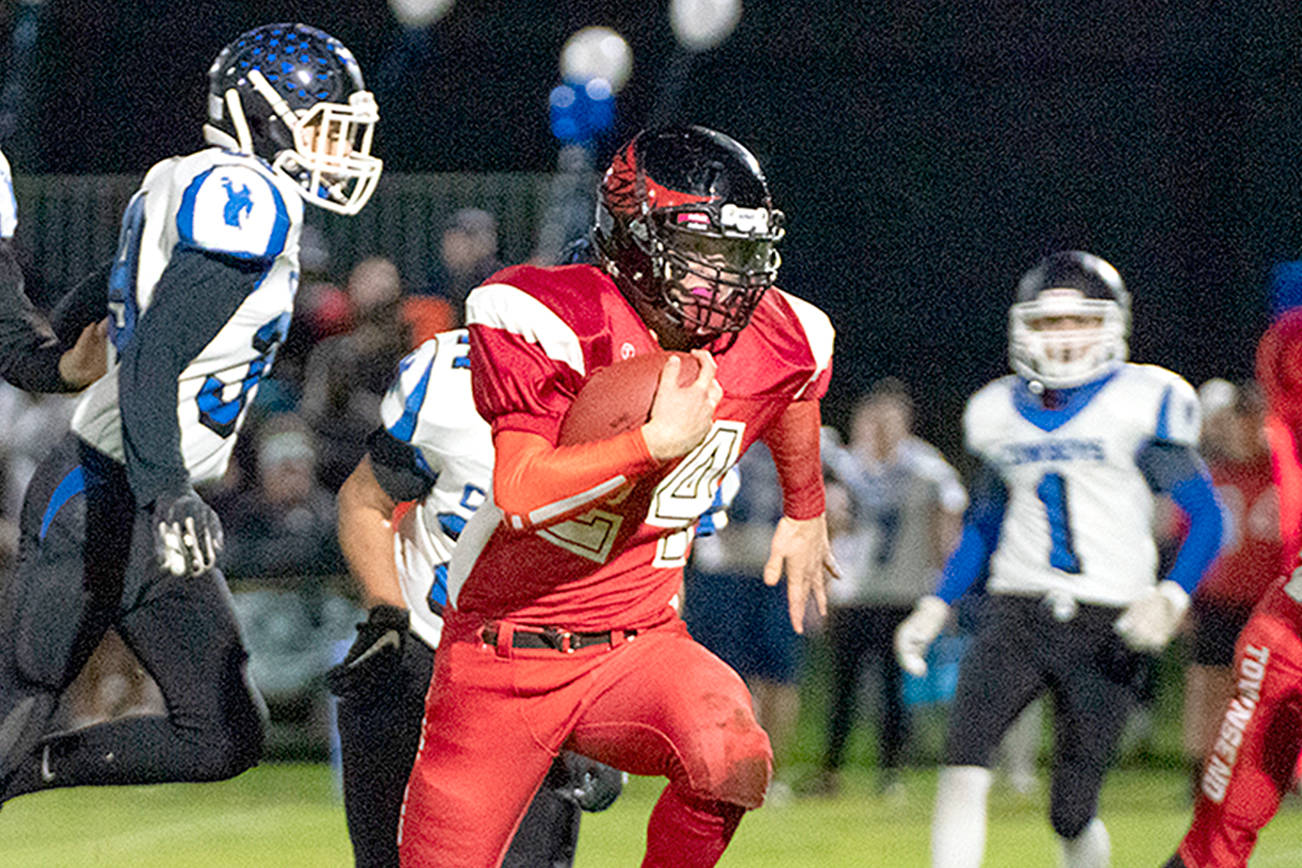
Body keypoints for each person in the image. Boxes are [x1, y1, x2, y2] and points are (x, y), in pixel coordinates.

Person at [397, 125, 837, 867]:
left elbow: (795, 382)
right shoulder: (551, 313)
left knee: (730, 751)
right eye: (702, 250)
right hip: (502, 657)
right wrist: (650, 444)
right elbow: (520, 490)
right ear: (636, 237)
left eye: (738, 255)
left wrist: (806, 506)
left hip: (637, 648)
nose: (724, 279)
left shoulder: (776, 332)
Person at [0, 22, 382, 803]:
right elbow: (152, 353)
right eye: (323, 128)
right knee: (20, 703)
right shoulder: (248, 195)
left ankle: (30, 773)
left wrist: (56, 362)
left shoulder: (192, 183)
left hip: (142, 491)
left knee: (222, 734)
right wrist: (168, 489)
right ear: (262, 118)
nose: (336, 150)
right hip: (107, 490)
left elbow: (85, 319)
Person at [893, 250, 1223, 868]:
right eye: (1049, 322)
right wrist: (937, 603)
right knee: (964, 764)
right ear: (1023, 328)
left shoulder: (1140, 399)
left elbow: (1207, 516)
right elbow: (984, 524)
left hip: (1111, 616)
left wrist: (1172, 593)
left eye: (1079, 321)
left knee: (1072, 811)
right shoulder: (996, 411)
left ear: (1111, 325)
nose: (1064, 335)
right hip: (1016, 610)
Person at [331, 328, 625, 868]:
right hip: (425, 653)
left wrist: (605, 713)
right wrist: (385, 613)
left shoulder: (640, 407)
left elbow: (653, 576)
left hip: (542, 677)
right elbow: (363, 501)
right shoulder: (454, 384)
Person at [1163, 302, 1302, 867]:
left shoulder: (1277, 464)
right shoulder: (1221, 471)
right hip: (1252, 613)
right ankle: (1197, 777)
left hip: (1273, 607)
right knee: (1213, 697)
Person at [805, 377, 966, 797]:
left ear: (905, 422)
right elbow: (824, 526)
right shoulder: (845, 466)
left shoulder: (925, 466)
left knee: (896, 690)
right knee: (843, 688)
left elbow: (948, 519)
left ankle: (891, 772)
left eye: (891, 419)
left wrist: (943, 587)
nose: (881, 428)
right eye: (875, 419)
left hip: (902, 591)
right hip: (853, 593)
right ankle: (830, 771)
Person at [684, 442, 804, 803]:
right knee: (720, 676)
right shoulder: (715, 436)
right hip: (720, 573)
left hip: (776, 572)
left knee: (779, 676)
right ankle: (719, 766)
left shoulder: (804, 443)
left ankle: (768, 771)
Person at [1178, 380, 1279, 797]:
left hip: (1271, 603)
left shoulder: (1284, 475)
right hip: (1217, 601)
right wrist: (1181, 596)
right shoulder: (1210, 477)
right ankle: (1202, 774)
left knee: (1276, 690)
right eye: (1242, 420)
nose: (1248, 431)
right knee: (1209, 687)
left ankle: (1273, 774)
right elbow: (1182, 539)